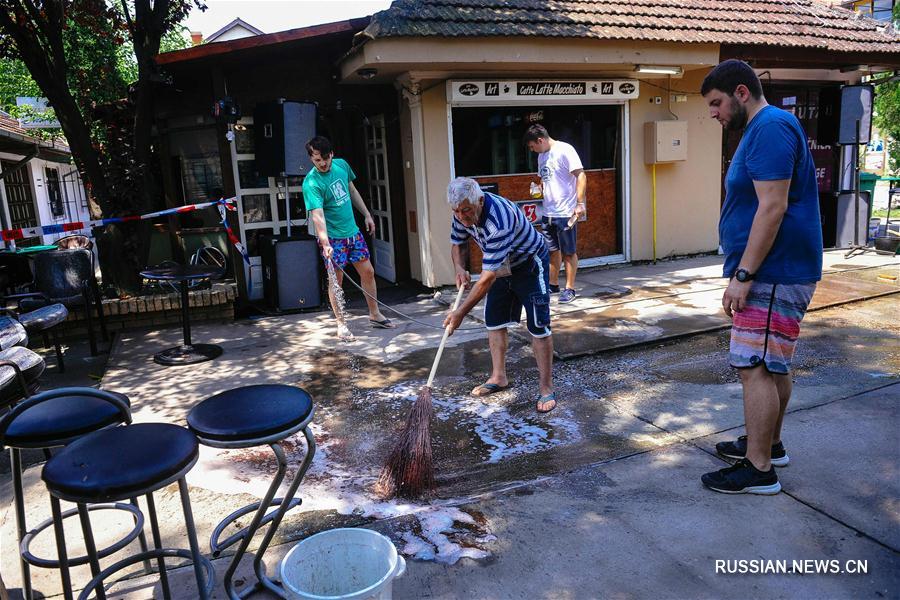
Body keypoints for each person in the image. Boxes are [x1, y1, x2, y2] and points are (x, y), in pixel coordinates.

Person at [700, 59, 822, 494]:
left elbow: (773, 206)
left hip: (772, 272)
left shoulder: (770, 127)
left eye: (716, 103)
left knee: (753, 366)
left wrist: (744, 273)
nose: (713, 113)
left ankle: (759, 469)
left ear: (741, 93)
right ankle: (768, 443)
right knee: (771, 364)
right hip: (777, 270)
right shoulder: (763, 128)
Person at [442, 177, 557, 413]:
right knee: (494, 322)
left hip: (529, 264)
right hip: (501, 266)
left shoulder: (498, 220)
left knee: (539, 326)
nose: (462, 216)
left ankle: (546, 388)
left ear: (480, 201)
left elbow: (486, 278)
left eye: (466, 210)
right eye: (456, 211)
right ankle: (498, 377)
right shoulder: (460, 214)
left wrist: (460, 313)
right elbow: (458, 243)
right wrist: (459, 268)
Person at [302, 136, 395, 339]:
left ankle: (375, 314)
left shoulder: (342, 165)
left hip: (353, 233)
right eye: (318, 160)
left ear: (332, 154)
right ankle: (341, 324)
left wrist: (367, 214)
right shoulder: (311, 183)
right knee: (337, 281)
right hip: (333, 238)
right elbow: (317, 215)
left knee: (368, 271)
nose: (323, 163)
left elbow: (351, 190)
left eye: (326, 158)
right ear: (311, 159)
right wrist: (325, 242)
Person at [524, 124, 587, 304]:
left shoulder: (565, 150)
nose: (532, 150)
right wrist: (538, 189)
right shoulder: (542, 156)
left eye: (532, 146)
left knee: (568, 252)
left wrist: (580, 203)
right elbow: (546, 180)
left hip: (565, 212)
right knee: (552, 251)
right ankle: (553, 284)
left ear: (540, 140)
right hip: (548, 212)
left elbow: (581, 175)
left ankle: (570, 288)